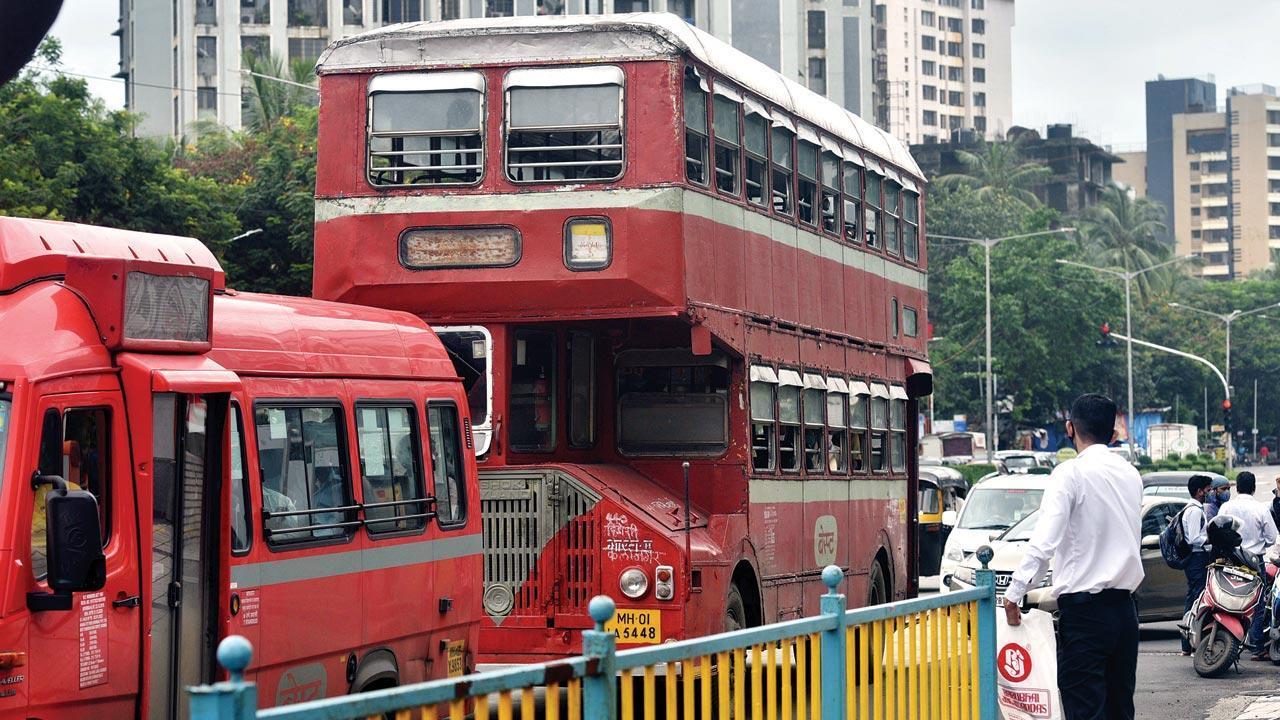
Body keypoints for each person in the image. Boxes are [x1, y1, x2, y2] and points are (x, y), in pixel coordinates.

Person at [1002, 394, 1144, 720]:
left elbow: (1043, 543)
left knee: (1085, 710)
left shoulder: (1070, 474)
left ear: (1070, 428)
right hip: (1125, 613)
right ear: (1112, 433)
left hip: (1086, 617)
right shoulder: (1130, 474)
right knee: (1120, 710)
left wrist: (1015, 593)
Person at [1216, 471, 1279, 660]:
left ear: (1237, 488)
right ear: (1254, 488)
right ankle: (1257, 648)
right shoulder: (1260, 509)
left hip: (1230, 559)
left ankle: (1226, 642)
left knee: (1225, 599)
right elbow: (1271, 537)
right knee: (1257, 605)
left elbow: (1217, 529)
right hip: (1253, 561)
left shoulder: (1226, 507)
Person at [1180, 474, 1215, 655]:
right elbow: (1194, 538)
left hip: (1197, 558)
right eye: (1208, 489)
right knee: (1196, 600)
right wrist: (1210, 540)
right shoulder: (1194, 510)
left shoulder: (1195, 508)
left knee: (1194, 598)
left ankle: (1188, 645)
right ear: (1200, 491)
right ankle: (1190, 645)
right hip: (1196, 559)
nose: (1210, 492)